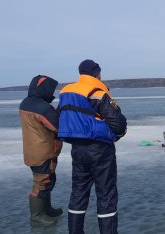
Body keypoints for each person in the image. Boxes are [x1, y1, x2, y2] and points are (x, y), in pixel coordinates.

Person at [57, 60, 127, 234]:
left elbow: (59, 116)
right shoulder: (97, 92)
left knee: (78, 193)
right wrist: (117, 134)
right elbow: (117, 123)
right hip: (100, 149)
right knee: (106, 195)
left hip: (77, 150)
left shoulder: (66, 92)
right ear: (96, 73)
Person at [19, 75, 63, 226]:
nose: (52, 93)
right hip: (43, 152)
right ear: (43, 89)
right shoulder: (42, 108)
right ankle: (37, 216)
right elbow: (58, 126)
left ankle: (46, 209)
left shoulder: (27, 103)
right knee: (42, 183)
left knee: (48, 180)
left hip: (34, 150)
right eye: (50, 90)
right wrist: (62, 108)